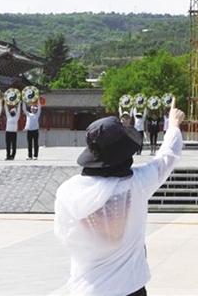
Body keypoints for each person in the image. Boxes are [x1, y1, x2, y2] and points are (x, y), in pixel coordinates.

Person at [54, 104, 185, 296]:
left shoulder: (68, 191)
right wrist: (173, 125)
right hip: (130, 287)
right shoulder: (136, 184)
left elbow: (64, 235)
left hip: (86, 288)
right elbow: (167, 156)